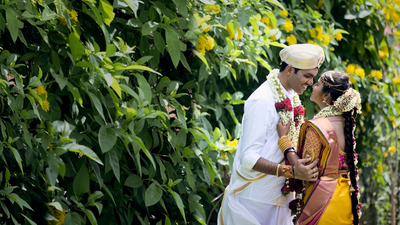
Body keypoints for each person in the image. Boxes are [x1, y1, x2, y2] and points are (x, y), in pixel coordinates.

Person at [218, 44, 325, 225]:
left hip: (279, 200)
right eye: (307, 76)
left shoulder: (291, 96)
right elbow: (248, 158)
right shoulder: (262, 100)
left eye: (312, 77)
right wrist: (291, 172)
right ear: (290, 69)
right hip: (252, 202)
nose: (310, 82)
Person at [277, 71, 362, 225]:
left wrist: (284, 142)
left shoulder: (317, 127)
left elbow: (306, 170)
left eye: (317, 84)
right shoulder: (346, 121)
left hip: (322, 201)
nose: (312, 85)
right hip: (345, 198)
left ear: (327, 96)